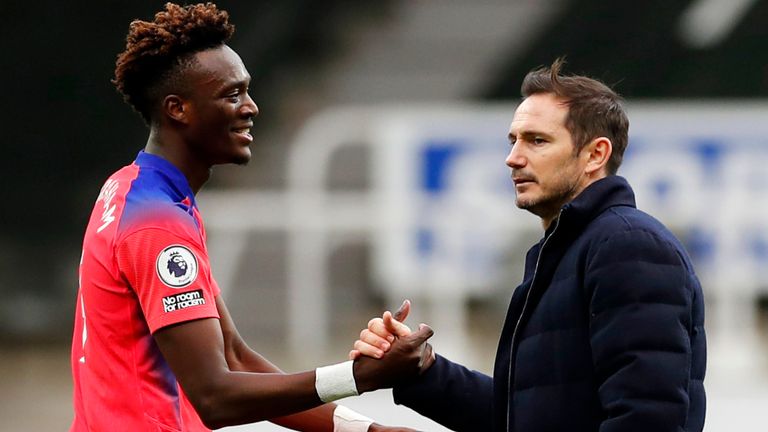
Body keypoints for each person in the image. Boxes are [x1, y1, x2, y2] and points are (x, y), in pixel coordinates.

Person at [69, 3, 431, 431]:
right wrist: (359, 377)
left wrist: (366, 430)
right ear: (177, 109)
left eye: (247, 91)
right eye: (232, 94)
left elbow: (235, 357)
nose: (251, 107)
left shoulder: (133, 189)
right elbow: (215, 396)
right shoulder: (156, 222)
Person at [351, 59, 707, 432]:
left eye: (537, 140)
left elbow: (649, 418)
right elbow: (522, 416)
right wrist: (422, 369)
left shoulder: (628, 246)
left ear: (595, 154)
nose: (513, 158)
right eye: (513, 140)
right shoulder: (567, 250)